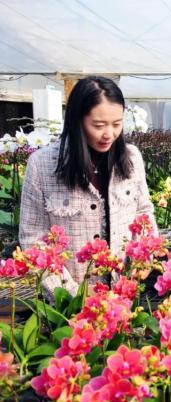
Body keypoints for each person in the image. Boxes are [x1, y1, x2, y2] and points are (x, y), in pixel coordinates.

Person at [19, 76, 156, 295]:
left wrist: (144, 255)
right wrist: (72, 294)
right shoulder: (42, 165)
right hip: (67, 301)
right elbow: (32, 239)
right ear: (77, 120)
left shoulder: (131, 158)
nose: (109, 134)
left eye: (117, 124)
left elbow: (143, 212)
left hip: (123, 292)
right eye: (98, 125)